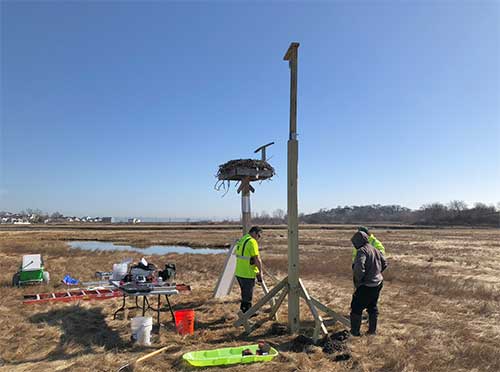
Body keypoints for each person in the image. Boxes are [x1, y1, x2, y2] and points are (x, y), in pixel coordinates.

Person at [350, 230, 387, 336]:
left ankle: (355, 333)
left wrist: (359, 280)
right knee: (372, 306)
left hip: (366, 285)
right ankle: (372, 331)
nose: (354, 245)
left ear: (358, 241)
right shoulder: (374, 249)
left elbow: (359, 268)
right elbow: (384, 263)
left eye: (354, 243)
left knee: (356, 308)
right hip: (378, 283)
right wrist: (377, 273)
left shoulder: (362, 251)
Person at [234, 226, 263, 314]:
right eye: (258, 235)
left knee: (244, 294)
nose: (258, 238)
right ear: (254, 233)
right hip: (247, 273)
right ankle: (246, 315)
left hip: (239, 272)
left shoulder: (242, 239)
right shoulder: (252, 241)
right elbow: (256, 259)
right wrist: (260, 273)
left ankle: (246, 312)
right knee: (247, 296)